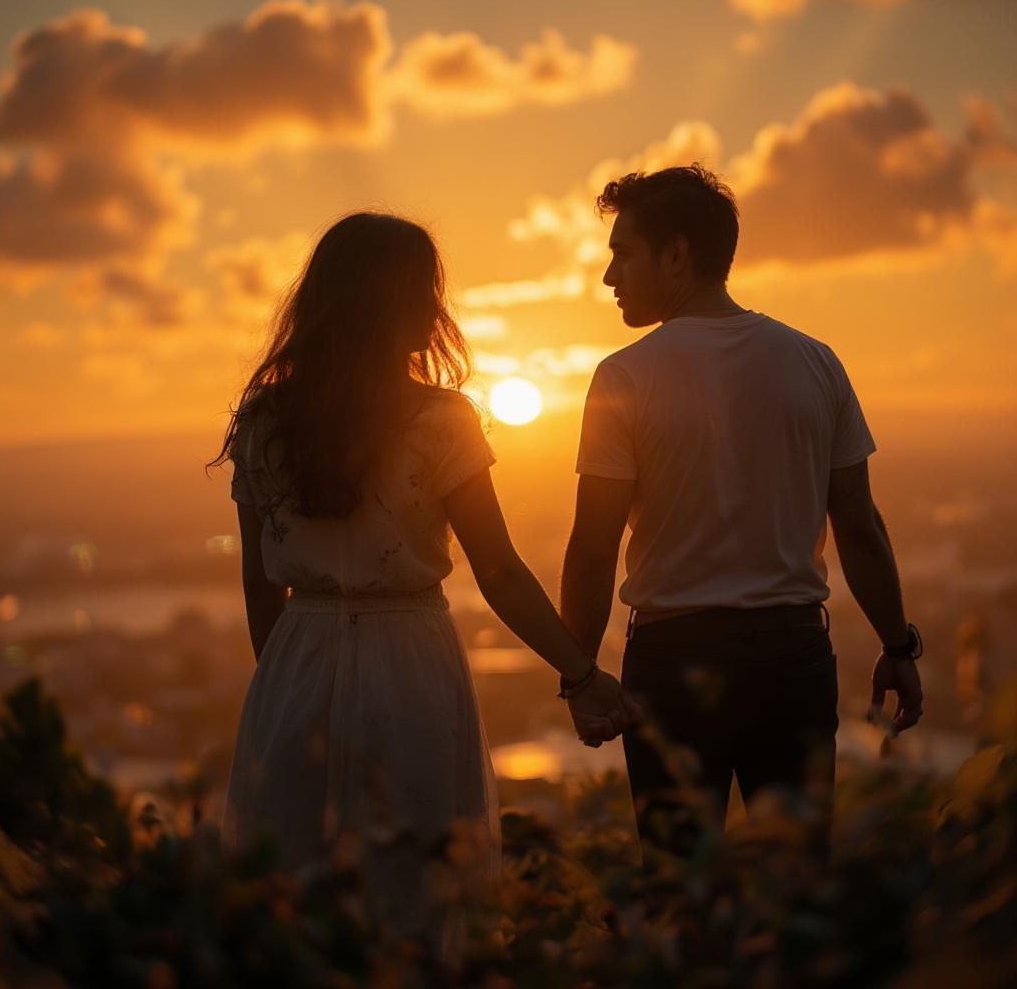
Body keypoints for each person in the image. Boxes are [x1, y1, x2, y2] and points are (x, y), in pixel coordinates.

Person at [211, 212, 639, 958]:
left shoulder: (264, 419)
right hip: (409, 661)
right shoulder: (442, 421)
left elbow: (257, 581)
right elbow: (499, 570)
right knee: (415, 894)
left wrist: (283, 682)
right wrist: (582, 675)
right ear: (401, 304)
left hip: (294, 662)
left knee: (296, 895)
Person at [559, 165, 924, 857]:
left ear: (676, 254)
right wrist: (898, 646)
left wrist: (578, 677)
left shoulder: (625, 376)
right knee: (797, 890)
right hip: (792, 660)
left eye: (621, 253)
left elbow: (592, 547)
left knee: (680, 891)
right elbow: (860, 525)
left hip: (674, 663)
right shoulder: (815, 363)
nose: (609, 276)